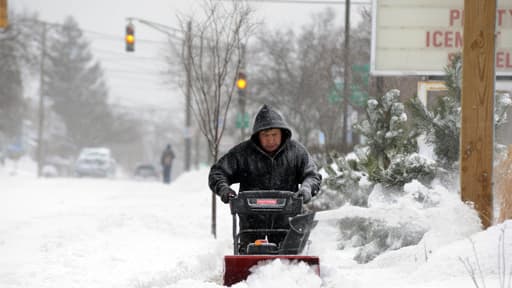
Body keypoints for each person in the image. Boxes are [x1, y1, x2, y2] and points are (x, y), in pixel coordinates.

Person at [209, 104, 322, 252]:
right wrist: (224, 189)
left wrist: (306, 189)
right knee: (250, 258)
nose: (271, 140)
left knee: (289, 260)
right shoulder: (243, 153)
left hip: (287, 222)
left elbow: (312, 175)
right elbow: (218, 172)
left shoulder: (297, 152)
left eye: (274, 135)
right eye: (266, 136)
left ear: (282, 133)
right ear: (258, 136)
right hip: (251, 224)